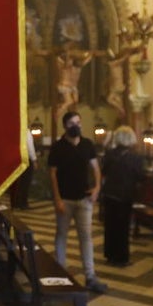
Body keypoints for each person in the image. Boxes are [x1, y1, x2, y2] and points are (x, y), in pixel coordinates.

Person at [48, 110, 108, 293]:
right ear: (65, 126)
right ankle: (61, 273)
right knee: (61, 235)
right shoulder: (58, 147)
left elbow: (96, 168)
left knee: (86, 238)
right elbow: (52, 174)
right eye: (72, 123)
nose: (77, 126)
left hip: (84, 199)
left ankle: (90, 276)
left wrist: (97, 187)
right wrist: (57, 198)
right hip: (65, 199)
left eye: (79, 122)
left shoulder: (87, 144)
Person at [100, 125, 146, 266]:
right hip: (125, 196)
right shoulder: (136, 158)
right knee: (123, 227)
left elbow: (104, 171)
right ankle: (121, 258)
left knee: (110, 226)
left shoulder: (109, 154)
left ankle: (110, 254)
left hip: (109, 194)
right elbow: (140, 177)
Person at [11, 124, 38, 209]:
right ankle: (23, 203)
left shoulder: (14, 130)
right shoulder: (26, 131)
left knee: (16, 183)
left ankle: (15, 203)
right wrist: (34, 160)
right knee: (25, 183)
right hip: (26, 160)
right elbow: (30, 147)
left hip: (14, 160)